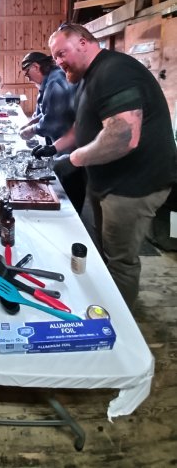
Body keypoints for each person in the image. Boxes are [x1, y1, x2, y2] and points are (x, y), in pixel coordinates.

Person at [33, 23, 177, 309]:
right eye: (55, 56)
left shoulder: (115, 71)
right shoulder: (87, 77)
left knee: (120, 259)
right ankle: (101, 300)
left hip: (133, 185)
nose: (58, 62)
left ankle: (115, 324)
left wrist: (74, 159)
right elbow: (81, 127)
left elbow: (123, 136)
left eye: (62, 53)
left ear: (84, 43)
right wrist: (55, 148)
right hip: (105, 182)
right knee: (100, 245)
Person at [20, 51, 86, 214]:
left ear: (36, 66)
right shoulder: (51, 79)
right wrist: (31, 122)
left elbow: (54, 120)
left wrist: (32, 130)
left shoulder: (55, 81)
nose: (28, 78)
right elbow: (47, 111)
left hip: (69, 143)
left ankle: (73, 224)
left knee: (71, 187)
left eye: (27, 73)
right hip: (61, 141)